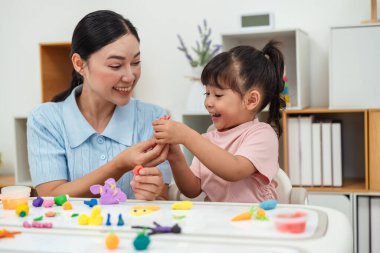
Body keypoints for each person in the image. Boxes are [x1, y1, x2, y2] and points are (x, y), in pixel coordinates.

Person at [27, 10, 171, 200]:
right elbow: (51, 197)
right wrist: (119, 165)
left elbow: (164, 198)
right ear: (79, 64)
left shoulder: (154, 118)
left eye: (136, 62)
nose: (130, 76)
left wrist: (157, 191)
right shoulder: (46, 120)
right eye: (115, 66)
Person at [153, 41, 285, 203]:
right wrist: (175, 156)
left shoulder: (262, 134)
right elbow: (192, 190)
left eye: (218, 95)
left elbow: (234, 170)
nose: (208, 102)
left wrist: (187, 136)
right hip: (217, 222)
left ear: (251, 100)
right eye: (207, 93)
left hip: (255, 222)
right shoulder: (207, 140)